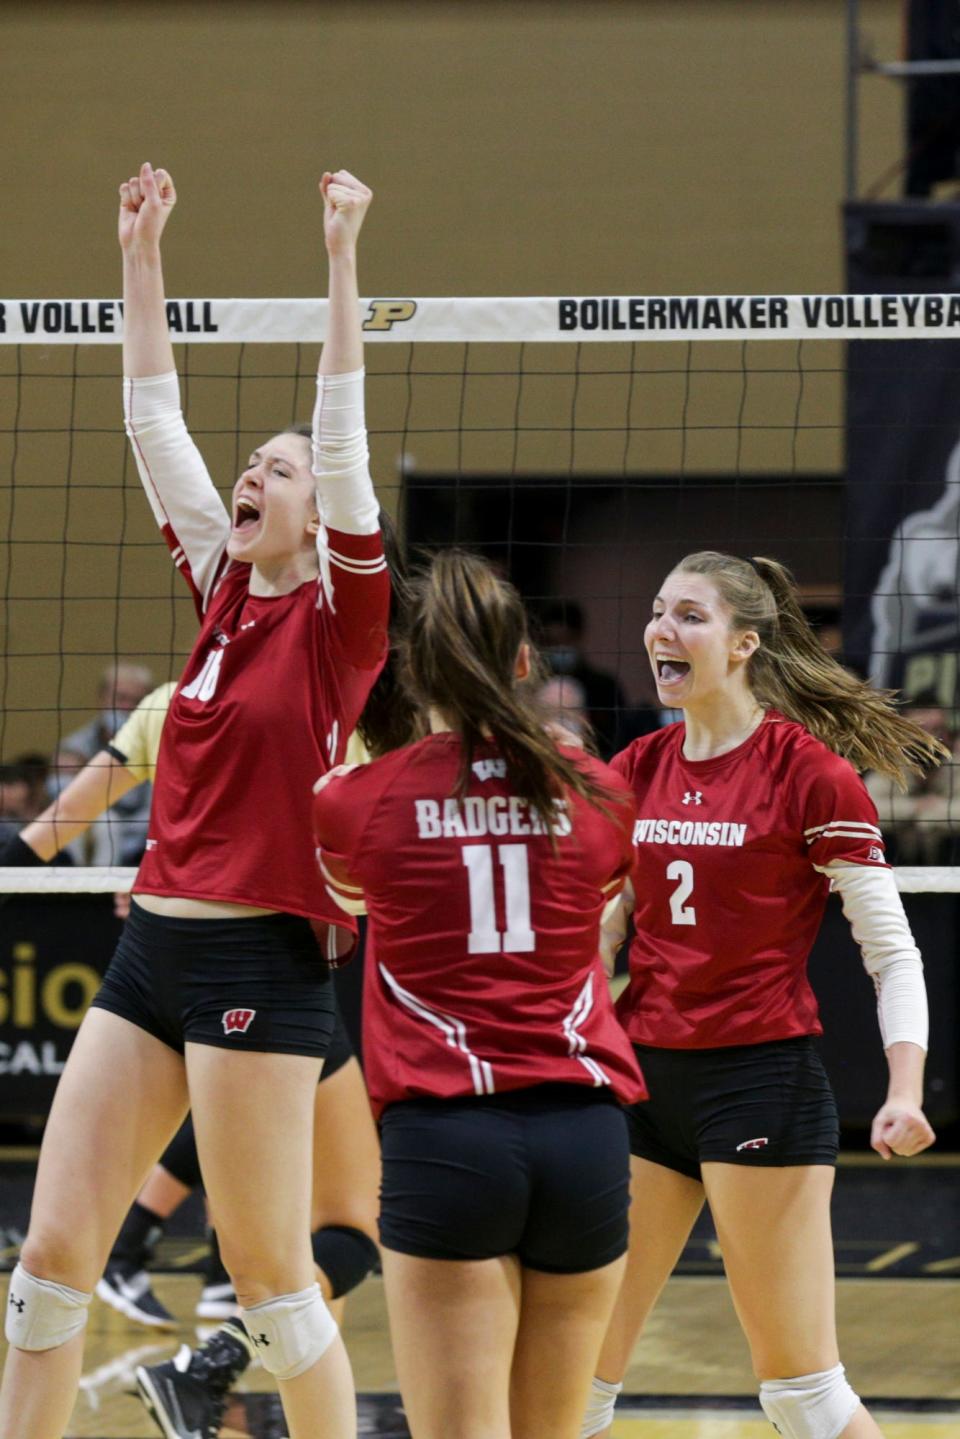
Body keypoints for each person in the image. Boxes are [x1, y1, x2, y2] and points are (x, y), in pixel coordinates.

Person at [0, 160, 387, 1439]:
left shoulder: (343, 624)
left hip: (263, 965)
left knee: (276, 1286)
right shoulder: (222, 591)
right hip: (152, 945)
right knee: (47, 1261)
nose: (257, 474)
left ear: (317, 502)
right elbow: (150, 418)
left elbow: (341, 431)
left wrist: (338, 258)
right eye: (254, 465)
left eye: (280, 468)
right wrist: (140, 253)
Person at [581, 551, 941, 1439]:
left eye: (690, 616)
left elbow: (893, 955)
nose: (663, 629)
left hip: (759, 1084)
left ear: (743, 643)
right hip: (641, 1085)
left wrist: (904, 1089)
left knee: (803, 1394)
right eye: (659, 610)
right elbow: (601, 927)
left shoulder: (809, 772)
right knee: (573, 1382)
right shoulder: (636, 764)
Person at [312, 549, 647, 1439]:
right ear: (527, 663)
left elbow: (348, 905)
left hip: (449, 1138)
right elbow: (607, 904)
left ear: (414, 667)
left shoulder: (353, 800)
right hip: (586, 1137)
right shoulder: (601, 791)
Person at [58, 661, 155, 865]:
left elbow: (152, 816)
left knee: (108, 825)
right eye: (120, 698)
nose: (127, 707)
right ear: (102, 698)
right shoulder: (74, 746)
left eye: (136, 701)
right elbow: (61, 804)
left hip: (136, 849)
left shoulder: (157, 749)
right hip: (79, 838)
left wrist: (115, 829)